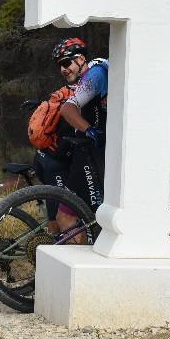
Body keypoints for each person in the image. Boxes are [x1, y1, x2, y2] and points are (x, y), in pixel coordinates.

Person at [49, 37, 108, 241]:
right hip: (88, 154)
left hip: (91, 155)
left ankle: (81, 266)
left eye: (66, 63)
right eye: (60, 65)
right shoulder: (95, 73)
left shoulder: (95, 75)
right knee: (69, 215)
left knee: (66, 216)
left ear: (81, 58)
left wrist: (89, 130)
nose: (63, 69)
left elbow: (68, 109)